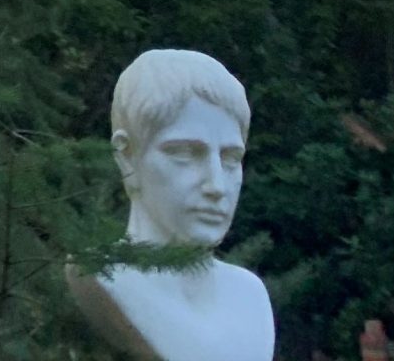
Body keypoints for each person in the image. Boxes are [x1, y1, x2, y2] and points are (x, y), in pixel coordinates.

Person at [67, 48, 275, 361]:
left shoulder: (250, 296)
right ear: (127, 157)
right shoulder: (101, 275)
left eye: (231, 159)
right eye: (185, 153)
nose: (216, 186)